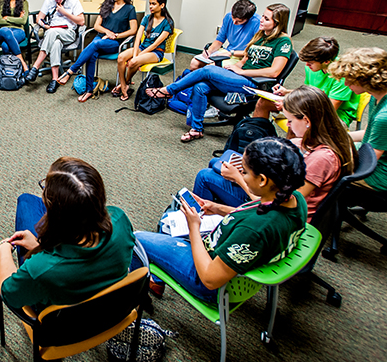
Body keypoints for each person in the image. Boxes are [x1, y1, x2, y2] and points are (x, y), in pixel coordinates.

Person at [137, 138, 308, 302]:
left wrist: (194, 228)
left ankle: (130, 301)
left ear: (263, 180)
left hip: (210, 281)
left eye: (245, 172)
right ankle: (156, 280)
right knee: (168, 221)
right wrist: (218, 208)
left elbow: (210, 279)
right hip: (225, 254)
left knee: (135, 239)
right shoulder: (293, 199)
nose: (241, 175)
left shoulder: (254, 230)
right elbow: (254, 216)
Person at [196, 86, 357, 220]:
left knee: (205, 176)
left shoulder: (322, 159)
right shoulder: (327, 136)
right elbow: (289, 146)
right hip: (281, 191)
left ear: (307, 121)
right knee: (217, 164)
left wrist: (238, 178)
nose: (288, 125)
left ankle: (202, 225)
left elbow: (277, 205)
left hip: (281, 216)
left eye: (290, 121)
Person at [0, 157, 135, 309]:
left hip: (62, 322)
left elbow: (8, 293)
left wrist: (4, 249)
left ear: (57, 215)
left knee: (26, 201)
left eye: (45, 189)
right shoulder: (120, 219)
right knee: (29, 201)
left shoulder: (39, 270)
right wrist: (38, 245)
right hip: (108, 306)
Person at [147, 3, 292, 142]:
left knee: (209, 70)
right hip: (240, 77)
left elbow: (274, 72)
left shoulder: (283, 42)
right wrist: (238, 67)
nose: (261, 20)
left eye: (266, 18)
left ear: (278, 23)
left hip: (254, 83)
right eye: (263, 16)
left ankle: (169, 90)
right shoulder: (260, 35)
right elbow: (246, 59)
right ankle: (196, 129)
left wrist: (241, 72)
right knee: (200, 87)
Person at [57, 0, 138, 102]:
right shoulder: (107, 4)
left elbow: (133, 30)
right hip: (101, 38)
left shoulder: (129, 9)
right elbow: (96, 26)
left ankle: (70, 71)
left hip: (114, 42)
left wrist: (115, 35)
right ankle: (89, 90)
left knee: (95, 44)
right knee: (92, 53)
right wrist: (107, 32)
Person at [254, 37, 360, 127]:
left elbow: (328, 109)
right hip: (311, 106)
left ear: (326, 62)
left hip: (333, 116)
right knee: (263, 102)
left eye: (311, 63)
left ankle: (291, 148)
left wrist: (290, 107)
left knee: (296, 121)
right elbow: (309, 93)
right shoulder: (312, 68)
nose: (307, 65)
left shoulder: (342, 75)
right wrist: (287, 92)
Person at [329, 47, 387, 191]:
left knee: (320, 170)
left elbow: (366, 164)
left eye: (350, 80)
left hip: (379, 175)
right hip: (371, 157)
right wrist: (329, 138)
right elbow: (367, 134)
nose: (346, 84)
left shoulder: (384, 117)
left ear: (366, 79)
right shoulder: (377, 95)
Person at [24, 0, 85, 93]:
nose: (57, 1)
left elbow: (81, 21)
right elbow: (39, 18)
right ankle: (55, 79)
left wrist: (65, 13)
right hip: (52, 32)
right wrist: (44, 25)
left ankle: (35, 67)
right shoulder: (49, 0)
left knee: (52, 33)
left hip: (68, 32)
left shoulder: (73, 1)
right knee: (56, 42)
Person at [112, 0, 173, 101]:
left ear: (162, 5)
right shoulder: (147, 18)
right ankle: (124, 84)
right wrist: (136, 54)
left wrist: (136, 57)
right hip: (143, 48)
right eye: (150, 4)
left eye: (154, 4)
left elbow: (155, 44)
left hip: (156, 52)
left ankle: (124, 86)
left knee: (133, 62)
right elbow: (138, 38)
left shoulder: (167, 22)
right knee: (121, 57)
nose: (150, 6)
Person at [189, 0, 260, 71]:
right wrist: (209, 51)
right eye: (233, 18)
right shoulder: (228, 17)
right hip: (228, 52)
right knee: (194, 63)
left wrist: (231, 53)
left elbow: (253, 51)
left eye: (239, 21)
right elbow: (219, 40)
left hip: (242, 56)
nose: (234, 22)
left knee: (210, 67)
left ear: (248, 18)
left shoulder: (257, 23)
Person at [0, 0, 30, 73]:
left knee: (5, 45)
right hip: (3, 31)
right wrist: (17, 19)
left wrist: (7, 18)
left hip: (19, 31)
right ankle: (23, 64)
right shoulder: (1, 2)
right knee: (6, 31)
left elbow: (23, 21)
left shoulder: (24, 2)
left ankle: (11, 70)